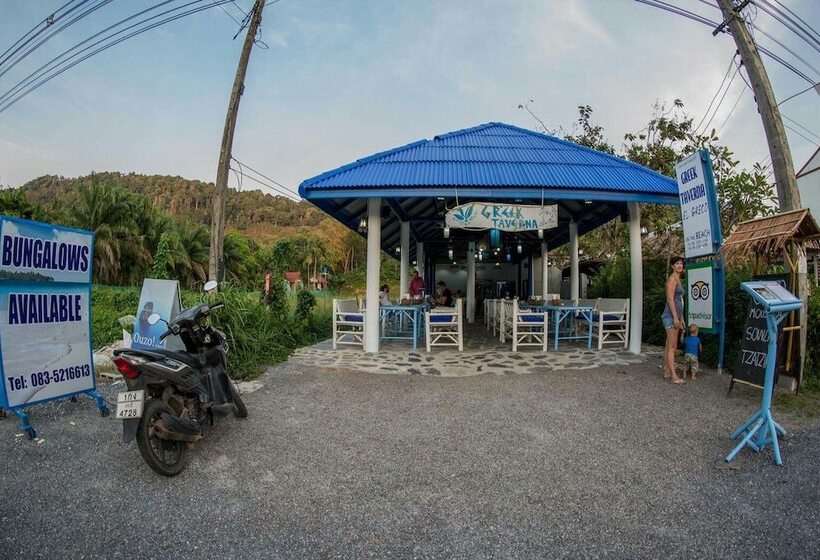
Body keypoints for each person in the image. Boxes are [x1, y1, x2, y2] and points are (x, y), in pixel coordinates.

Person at [662, 256, 686, 384]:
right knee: (672, 346)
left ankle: (667, 371)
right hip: (670, 316)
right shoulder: (672, 279)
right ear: (672, 266)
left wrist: (681, 318)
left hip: (676, 316)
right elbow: (670, 299)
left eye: (681, 263)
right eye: (677, 263)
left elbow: (680, 301)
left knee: (668, 345)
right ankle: (674, 376)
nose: (679, 265)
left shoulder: (679, 279)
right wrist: (676, 317)